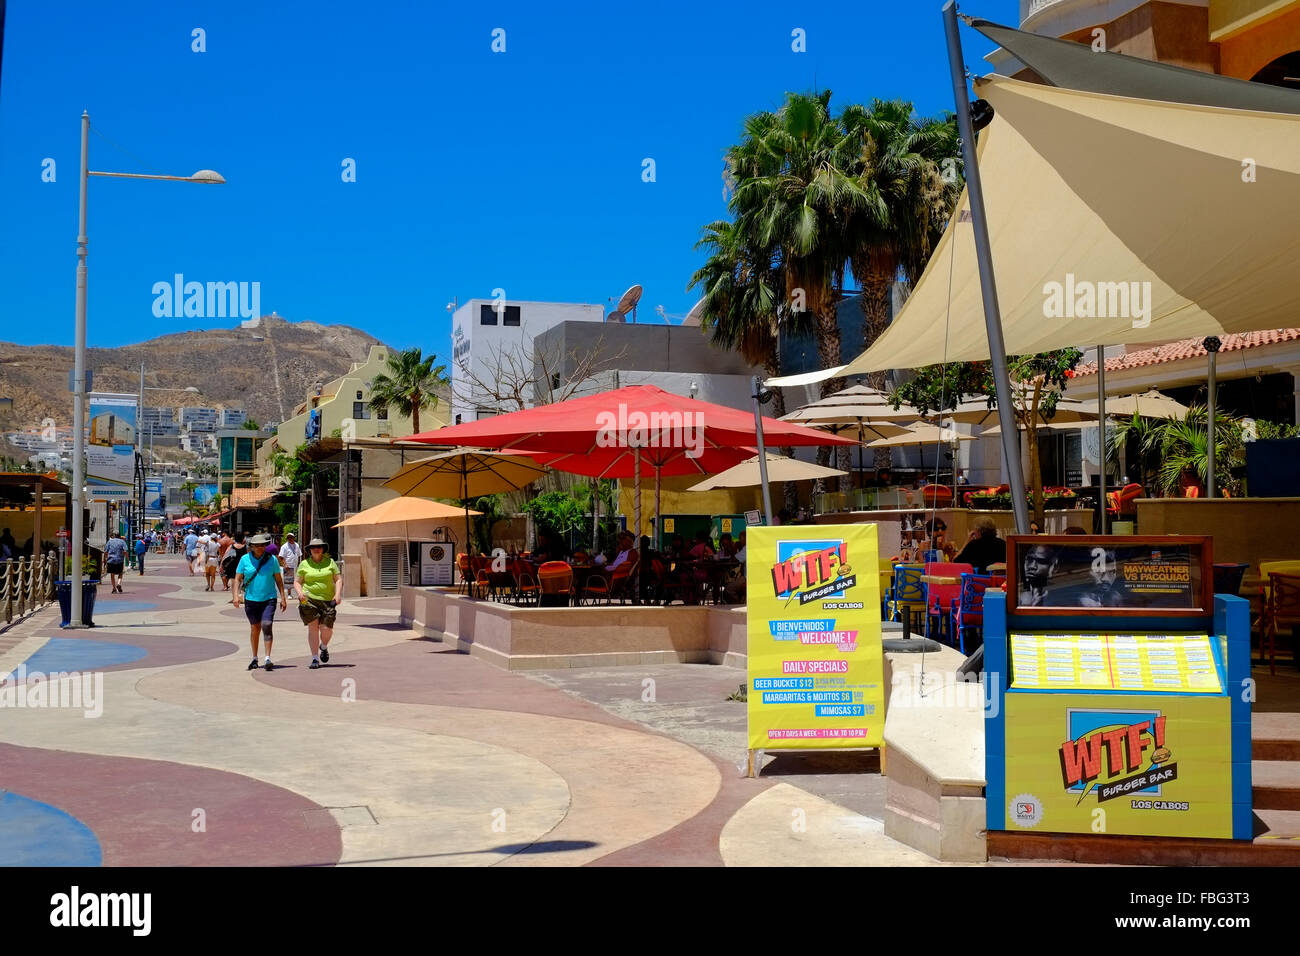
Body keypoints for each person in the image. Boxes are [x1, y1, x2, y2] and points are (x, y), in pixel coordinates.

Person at [234, 533, 287, 671]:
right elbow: (238, 578)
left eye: (263, 545)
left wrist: (283, 597)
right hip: (251, 599)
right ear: (251, 546)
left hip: (269, 598)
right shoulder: (244, 559)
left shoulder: (272, 560)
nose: (260, 548)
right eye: (257, 545)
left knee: (266, 624)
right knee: (255, 628)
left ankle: (267, 658)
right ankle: (254, 658)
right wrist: (235, 595)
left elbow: (278, 580)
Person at [294, 538, 342, 669]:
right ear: (309, 550)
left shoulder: (330, 562)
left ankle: (324, 646)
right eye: (313, 547)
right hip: (309, 599)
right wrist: (299, 593)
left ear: (323, 549)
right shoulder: (304, 564)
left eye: (319, 547)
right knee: (313, 628)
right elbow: (297, 582)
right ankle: (315, 658)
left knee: (327, 628)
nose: (316, 549)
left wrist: (337, 594)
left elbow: (338, 579)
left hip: (328, 600)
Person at [1019, 543, 1059, 607]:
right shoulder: (1021, 599)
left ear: (1053, 566)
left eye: (1041, 561)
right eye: (1029, 560)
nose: (1032, 566)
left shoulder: (1056, 600)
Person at [222, 531, 248, 602]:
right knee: (243, 582)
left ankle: (235, 598)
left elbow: (225, 556)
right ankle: (241, 597)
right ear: (243, 538)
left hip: (233, 567)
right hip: (243, 566)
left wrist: (222, 565)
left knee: (234, 583)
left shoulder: (231, 546)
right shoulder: (246, 547)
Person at [278, 531, 302, 598]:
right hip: (288, 565)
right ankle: (289, 594)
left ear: (294, 538)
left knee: (296, 579)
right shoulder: (284, 546)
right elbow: (281, 556)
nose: (290, 539)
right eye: (288, 537)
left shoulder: (296, 545)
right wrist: (285, 564)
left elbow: (299, 554)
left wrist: (300, 563)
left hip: (295, 565)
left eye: (291, 537)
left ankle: (298, 593)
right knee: (289, 580)